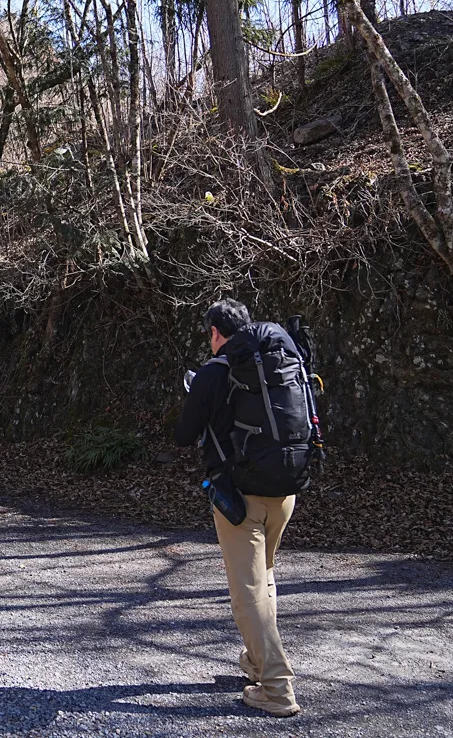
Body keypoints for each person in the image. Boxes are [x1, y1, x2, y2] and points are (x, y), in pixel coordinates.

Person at [174, 298, 308, 718]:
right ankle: (255, 661)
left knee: (246, 595)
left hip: (239, 499)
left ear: (215, 333)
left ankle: (277, 689)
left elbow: (183, 435)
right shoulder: (278, 363)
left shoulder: (215, 372)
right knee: (264, 579)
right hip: (285, 491)